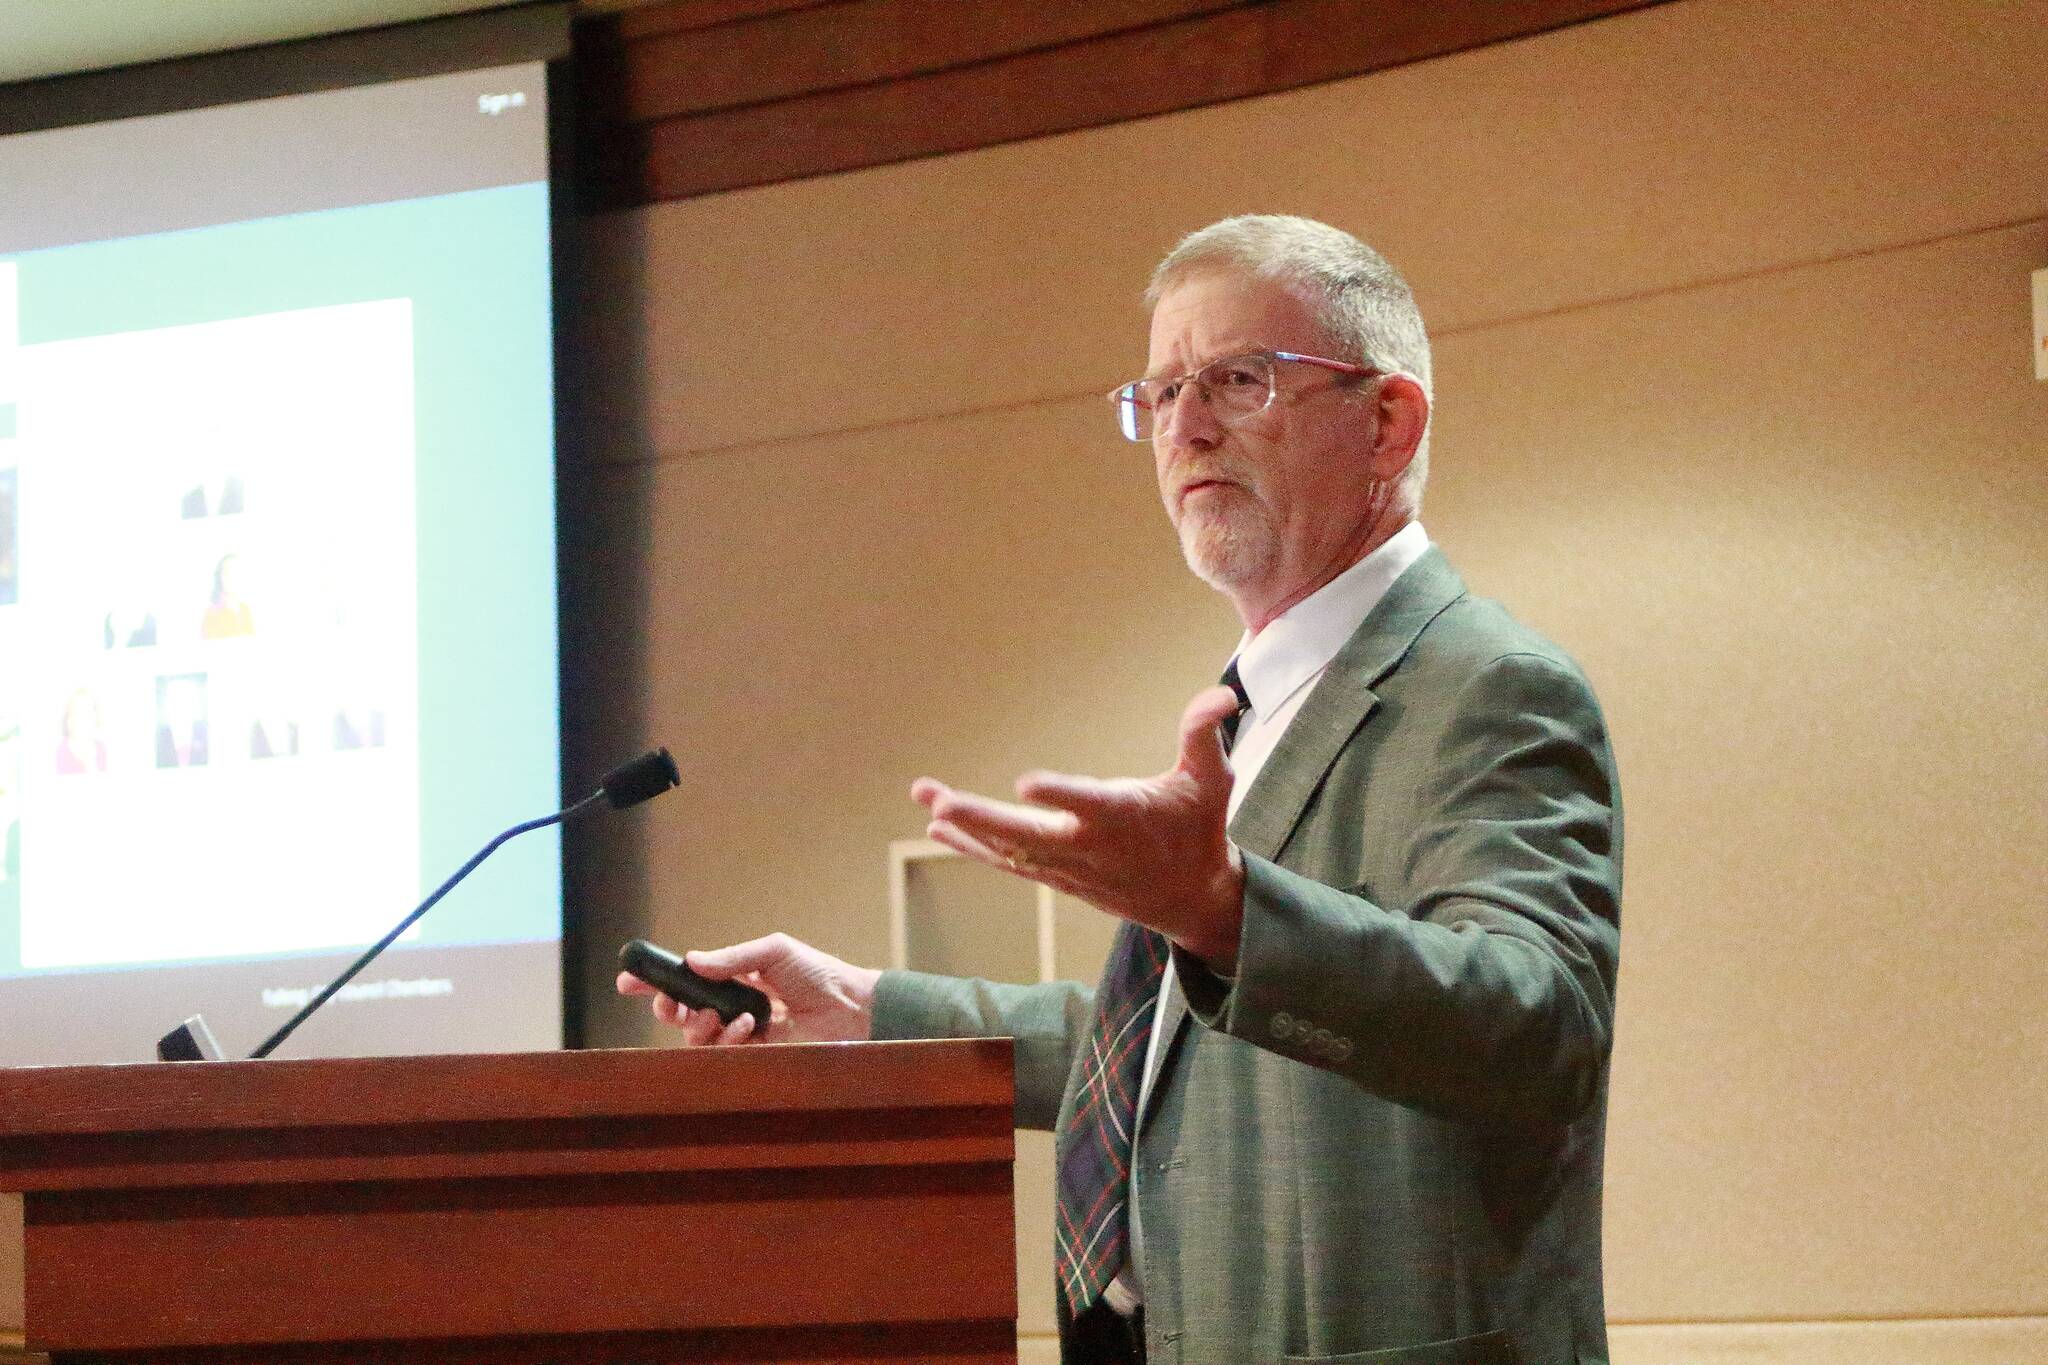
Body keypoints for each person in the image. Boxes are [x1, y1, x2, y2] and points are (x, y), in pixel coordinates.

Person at [621, 216, 1623, 1364]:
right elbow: (1166, 1053)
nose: (1184, 427)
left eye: (1238, 381)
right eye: (1159, 394)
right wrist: (866, 1011)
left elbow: (1539, 1028)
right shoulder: (1258, 699)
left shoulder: (1485, 684)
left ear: (1385, 423)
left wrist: (1221, 910)